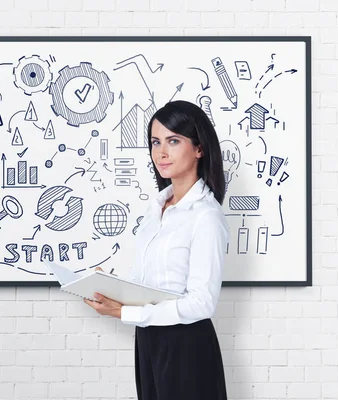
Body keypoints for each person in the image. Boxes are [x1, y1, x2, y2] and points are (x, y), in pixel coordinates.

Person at [83, 100, 230, 399]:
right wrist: (110, 287)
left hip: (187, 346)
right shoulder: (156, 209)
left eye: (173, 141)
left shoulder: (206, 216)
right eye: (155, 142)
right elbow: (149, 283)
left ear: (199, 148)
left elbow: (202, 303)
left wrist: (126, 312)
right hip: (148, 341)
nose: (161, 152)